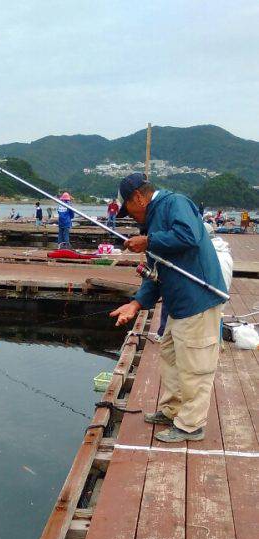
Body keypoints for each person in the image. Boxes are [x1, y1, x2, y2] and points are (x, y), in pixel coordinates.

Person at [110, 173, 227, 444]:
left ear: (138, 196)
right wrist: (135, 303)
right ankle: (172, 409)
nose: (129, 215)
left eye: (128, 208)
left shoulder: (175, 203)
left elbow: (189, 235)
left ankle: (191, 425)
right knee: (171, 354)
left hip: (199, 298)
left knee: (195, 365)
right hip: (178, 304)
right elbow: (155, 272)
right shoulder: (152, 222)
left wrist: (149, 241)